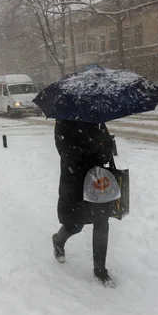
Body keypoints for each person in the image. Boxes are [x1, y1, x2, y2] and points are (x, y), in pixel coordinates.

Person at [52, 119, 117, 288]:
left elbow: (108, 151)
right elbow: (68, 154)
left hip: (97, 181)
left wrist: (105, 148)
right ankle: (58, 241)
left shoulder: (97, 120)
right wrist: (93, 148)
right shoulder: (64, 122)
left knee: (102, 222)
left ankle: (100, 270)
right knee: (75, 224)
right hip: (75, 182)